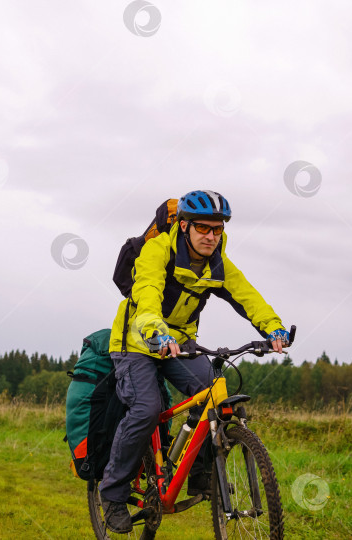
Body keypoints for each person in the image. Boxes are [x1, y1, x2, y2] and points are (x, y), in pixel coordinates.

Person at [100, 189, 290, 534]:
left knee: (213, 394)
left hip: (181, 344)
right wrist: (157, 332)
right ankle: (112, 493)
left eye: (217, 230)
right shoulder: (157, 252)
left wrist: (273, 327)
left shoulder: (217, 262)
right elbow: (146, 297)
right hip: (136, 341)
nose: (211, 236)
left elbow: (247, 295)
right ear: (184, 226)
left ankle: (202, 473)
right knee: (146, 407)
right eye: (203, 228)